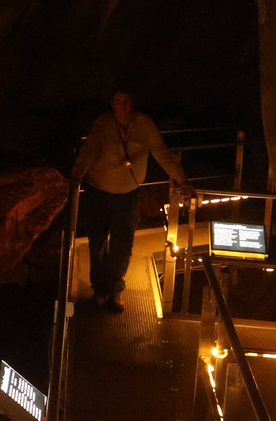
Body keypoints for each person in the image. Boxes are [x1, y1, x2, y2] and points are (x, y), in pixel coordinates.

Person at [68, 89, 195, 313]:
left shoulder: (143, 124)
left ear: (133, 103)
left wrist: (181, 179)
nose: (123, 105)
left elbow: (161, 152)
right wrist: (75, 178)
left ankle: (115, 289)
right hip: (98, 191)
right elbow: (88, 151)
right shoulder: (103, 124)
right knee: (97, 243)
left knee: (123, 244)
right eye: (118, 101)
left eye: (127, 101)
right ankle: (99, 290)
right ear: (112, 103)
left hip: (127, 194)